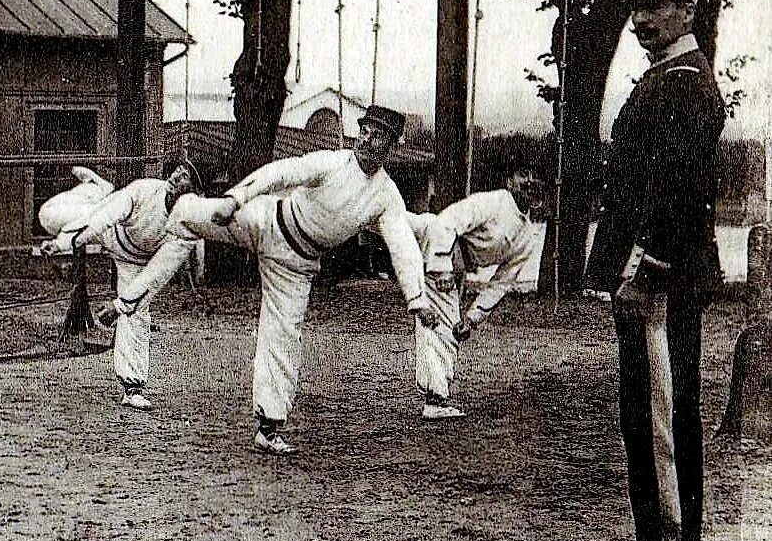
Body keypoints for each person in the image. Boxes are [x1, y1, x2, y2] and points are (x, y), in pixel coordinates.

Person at [100, 105, 437, 455]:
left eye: (377, 136)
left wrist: (417, 299)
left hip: (297, 265)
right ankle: (129, 298)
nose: (366, 140)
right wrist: (235, 198)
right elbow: (282, 172)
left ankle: (269, 427)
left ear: (391, 145)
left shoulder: (386, 196)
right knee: (185, 218)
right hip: (266, 222)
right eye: (364, 131)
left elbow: (403, 244)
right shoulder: (333, 162)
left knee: (284, 336)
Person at [585, 0, 724, 541]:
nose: (640, 20)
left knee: (664, 416)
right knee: (643, 412)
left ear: (687, 12)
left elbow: (678, 190)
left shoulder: (686, 84)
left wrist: (650, 266)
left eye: (655, 7)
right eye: (635, 8)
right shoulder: (666, 77)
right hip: (644, 275)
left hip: (661, 279)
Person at [39, 160, 202, 410]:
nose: (176, 177)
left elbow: (156, 274)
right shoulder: (145, 189)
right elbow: (102, 218)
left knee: (137, 314)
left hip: (135, 261)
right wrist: (62, 243)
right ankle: (97, 189)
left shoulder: (188, 228)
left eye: (186, 176)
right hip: (109, 230)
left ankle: (132, 388)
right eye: (178, 170)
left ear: (198, 192)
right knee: (48, 217)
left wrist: (120, 305)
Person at [406, 167, 547, 420]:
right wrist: (442, 266)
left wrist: (472, 319)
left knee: (444, 326)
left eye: (535, 178)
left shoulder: (528, 235)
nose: (529, 182)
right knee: (445, 328)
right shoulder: (494, 201)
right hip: (437, 239)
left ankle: (434, 395)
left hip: (452, 262)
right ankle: (435, 400)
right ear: (510, 181)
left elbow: (501, 283)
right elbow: (448, 220)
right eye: (523, 174)